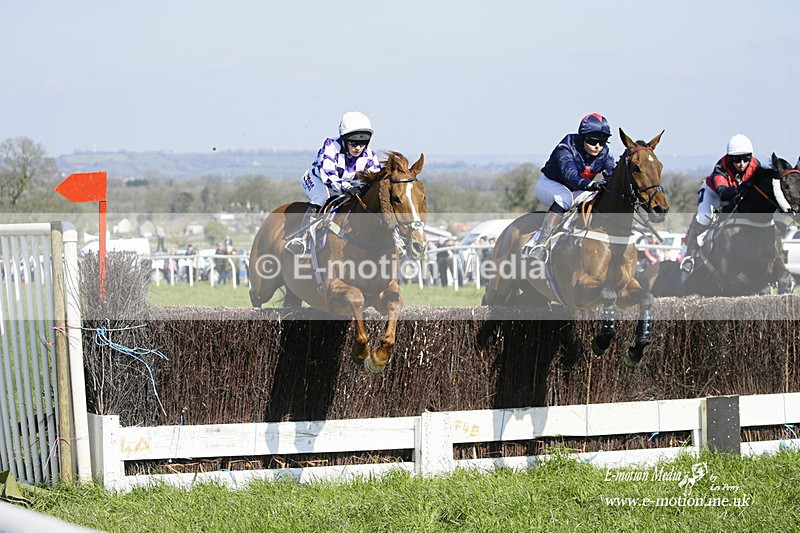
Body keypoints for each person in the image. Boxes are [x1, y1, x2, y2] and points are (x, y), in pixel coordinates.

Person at [284, 111, 382, 255]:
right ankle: (301, 239)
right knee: (321, 198)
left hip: (345, 185)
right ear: (344, 139)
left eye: (362, 143)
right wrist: (347, 187)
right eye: (353, 143)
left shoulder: (370, 155)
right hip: (317, 180)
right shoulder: (331, 146)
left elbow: (375, 179)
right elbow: (328, 176)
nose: (358, 148)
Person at [523, 113, 616, 261]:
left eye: (603, 141)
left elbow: (612, 176)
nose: (598, 145)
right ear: (583, 137)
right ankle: (540, 244)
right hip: (550, 185)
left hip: (578, 190)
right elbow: (571, 177)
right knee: (565, 198)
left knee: (599, 198)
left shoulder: (605, 153)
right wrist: (592, 184)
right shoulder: (566, 148)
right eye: (593, 140)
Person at [680, 133, 762, 273]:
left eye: (746, 158)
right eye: (737, 160)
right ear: (730, 158)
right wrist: (742, 187)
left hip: (737, 193)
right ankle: (689, 256)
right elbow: (723, 194)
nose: (742, 164)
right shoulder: (721, 168)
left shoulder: (756, 166)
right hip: (713, 193)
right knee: (704, 218)